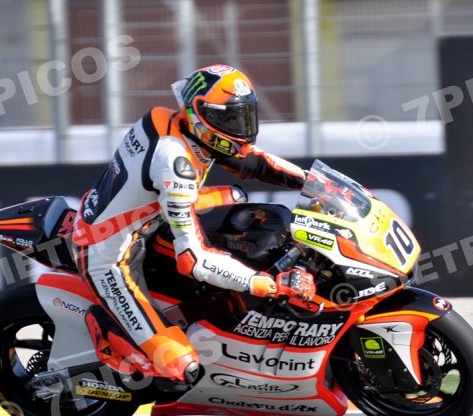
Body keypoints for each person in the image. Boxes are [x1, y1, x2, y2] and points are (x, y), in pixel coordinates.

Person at [74, 64, 316, 383]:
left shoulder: (171, 120)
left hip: (148, 217)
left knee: (237, 198)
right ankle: (109, 329)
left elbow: (254, 161)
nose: (240, 128)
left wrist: (315, 183)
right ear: (199, 114)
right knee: (180, 368)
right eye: (229, 119)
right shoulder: (175, 164)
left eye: (244, 115)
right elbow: (193, 260)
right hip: (108, 253)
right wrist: (265, 284)